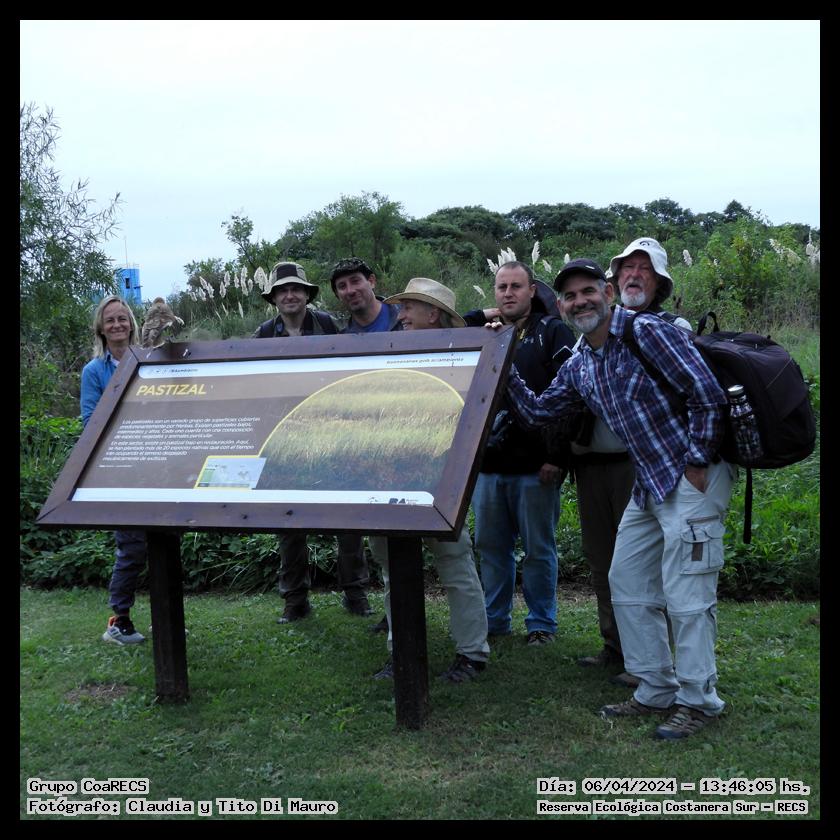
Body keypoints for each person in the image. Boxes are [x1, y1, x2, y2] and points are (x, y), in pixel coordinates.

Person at [506, 266, 735, 740]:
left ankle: (700, 701)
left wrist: (697, 462)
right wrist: (502, 365)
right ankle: (655, 686)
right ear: (561, 306)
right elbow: (539, 411)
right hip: (650, 484)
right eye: (570, 296)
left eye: (588, 291)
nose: (580, 301)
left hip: (690, 479)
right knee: (626, 581)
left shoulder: (645, 331)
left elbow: (706, 393)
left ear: (608, 292)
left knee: (688, 596)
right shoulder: (580, 362)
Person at [562, 244, 688, 688]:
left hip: (648, 466)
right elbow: (557, 402)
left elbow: (700, 393)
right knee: (608, 563)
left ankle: (663, 662)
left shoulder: (666, 329)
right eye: (627, 268)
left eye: (644, 270)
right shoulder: (586, 342)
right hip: (593, 465)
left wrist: (698, 461)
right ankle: (618, 648)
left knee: (657, 569)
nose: (635, 275)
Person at [366, 278, 490, 682]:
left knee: (455, 564)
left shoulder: (464, 358)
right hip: (388, 483)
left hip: (440, 483)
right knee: (392, 568)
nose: (400, 315)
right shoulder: (389, 355)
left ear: (432, 314)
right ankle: (399, 651)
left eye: (408, 308)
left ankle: (472, 654)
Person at [254, 261, 373, 623]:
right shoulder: (263, 334)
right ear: (274, 298)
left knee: (347, 518)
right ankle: (295, 601)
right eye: (282, 291)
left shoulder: (327, 325)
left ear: (306, 294)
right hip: (284, 439)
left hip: (331, 433)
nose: (289, 295)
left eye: (296, 289)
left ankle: (356, 593)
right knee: (288, 523)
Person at [464, 262, 576, 645]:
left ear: (532, 290)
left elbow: (570, 397)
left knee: (538, 551)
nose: (508, 293)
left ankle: (541, 623)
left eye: (516, 286)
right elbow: (454, 326)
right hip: (489, 466)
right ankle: (495, 621)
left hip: (536, 466)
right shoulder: (487, 333)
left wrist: (558, 457)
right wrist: (487, 315)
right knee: (491, 549)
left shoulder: (553, 331)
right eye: (501, 287)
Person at [81, 295, 147, 645]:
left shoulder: (148, 361)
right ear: (101, 329)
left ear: (131, 324)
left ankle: (167, 618)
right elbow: (89, 422)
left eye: (123, 318)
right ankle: (118, 621)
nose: (118, 325)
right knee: (132, 547)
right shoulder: (94, 372)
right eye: (111, 320)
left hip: (158, 465)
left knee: (163, 545)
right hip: (121, 470)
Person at [330, 257, 402, 333]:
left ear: (371, 281)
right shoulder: (342, 338)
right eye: (342, 286)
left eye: (355, 281)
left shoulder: (405, 315)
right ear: (337, 294)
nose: (350, 291)